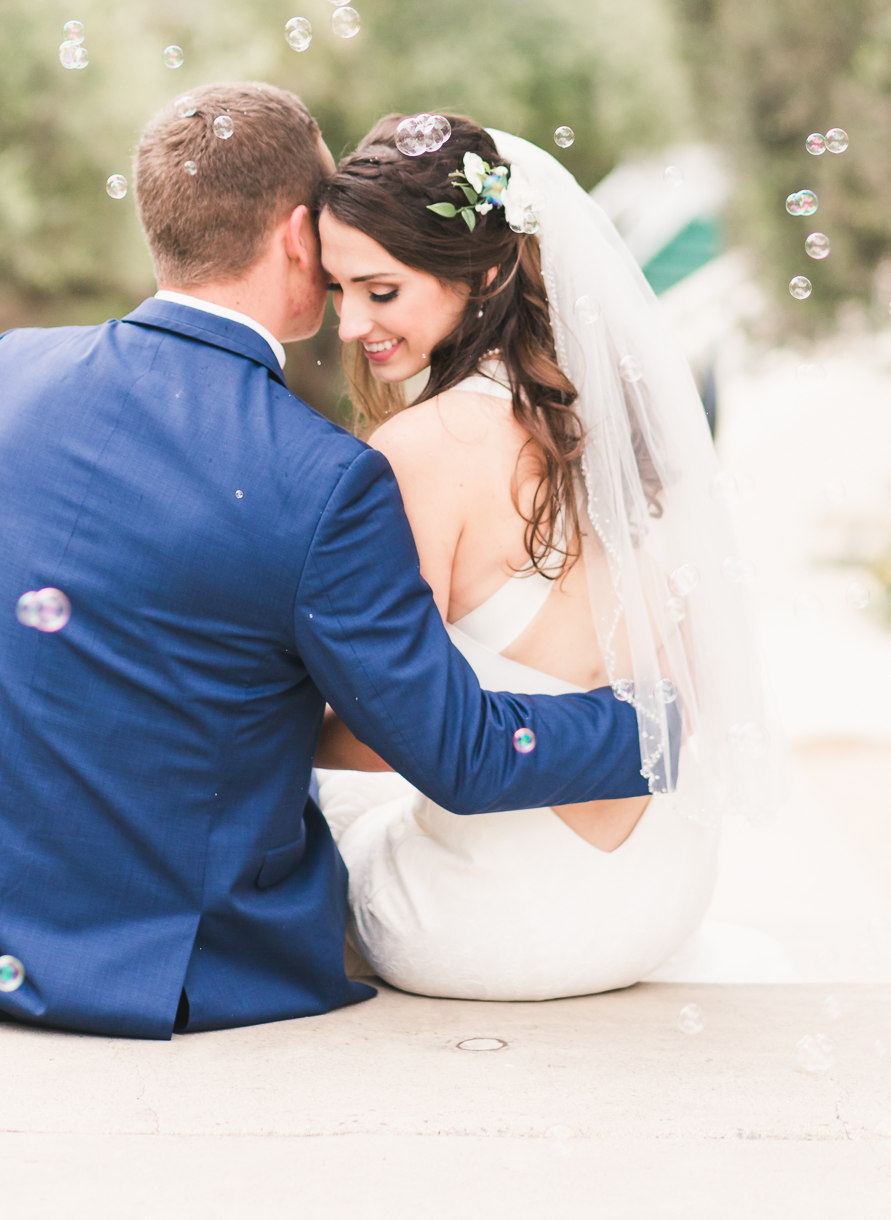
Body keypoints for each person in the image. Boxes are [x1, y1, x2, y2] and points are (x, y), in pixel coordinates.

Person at [0, 82, 652, 1039]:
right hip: (169, 949)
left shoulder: (5, 370)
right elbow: (450, 751)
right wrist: (653, 734)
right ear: (301, 238)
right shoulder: (325, 478)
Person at [314, 112, 777, 1001]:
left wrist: (253, 722)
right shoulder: (621, 422)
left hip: (500, 924)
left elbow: (391, 729)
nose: (347, 326)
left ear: (482, 273)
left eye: (379, 291)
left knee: (298, 802)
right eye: (337, 291)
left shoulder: (422, 449)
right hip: (659, 893)